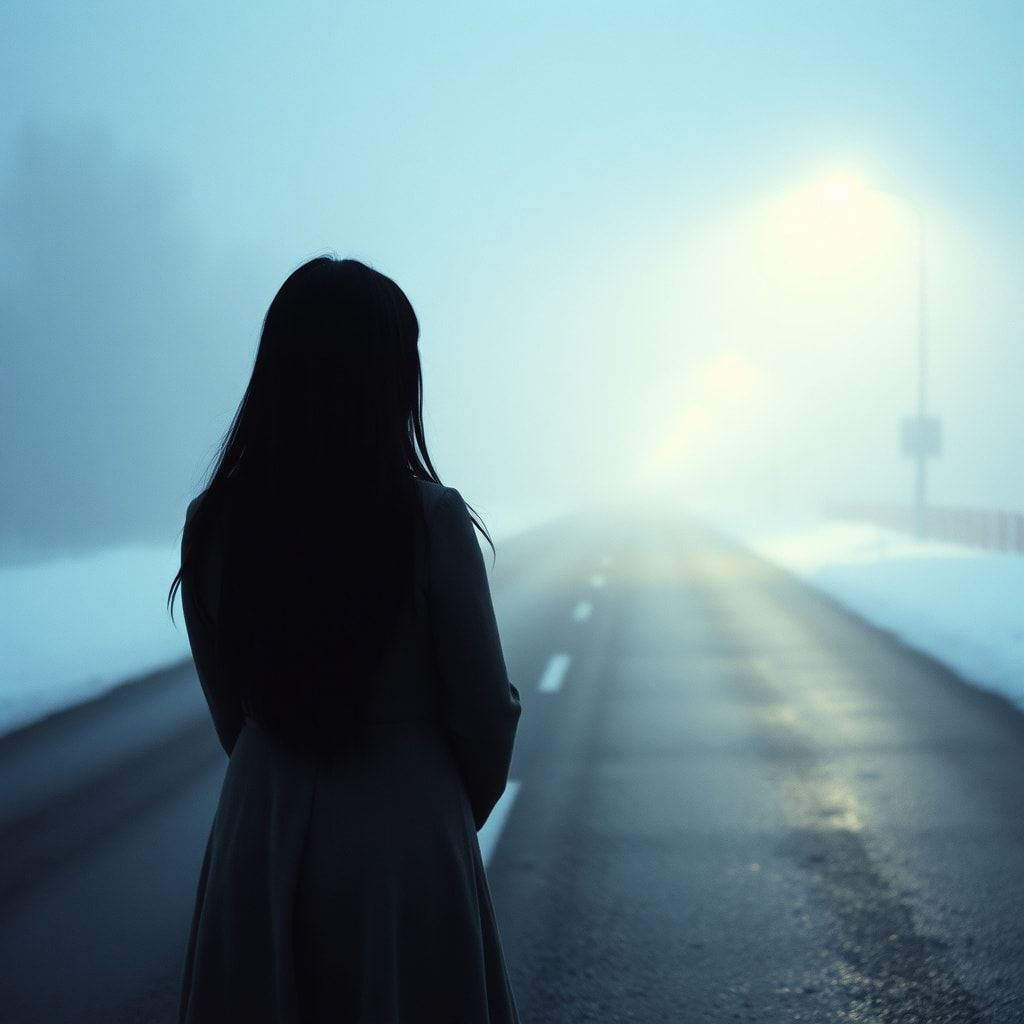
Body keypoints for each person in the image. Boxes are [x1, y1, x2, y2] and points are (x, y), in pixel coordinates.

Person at [167, 256, 523, 1023]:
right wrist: (435, 805)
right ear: (391, 376)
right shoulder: (431, 520)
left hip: (261, 826)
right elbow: (485, 712)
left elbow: (230, 713)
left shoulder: (214, 522)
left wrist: (281, 779)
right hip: (405, 833)